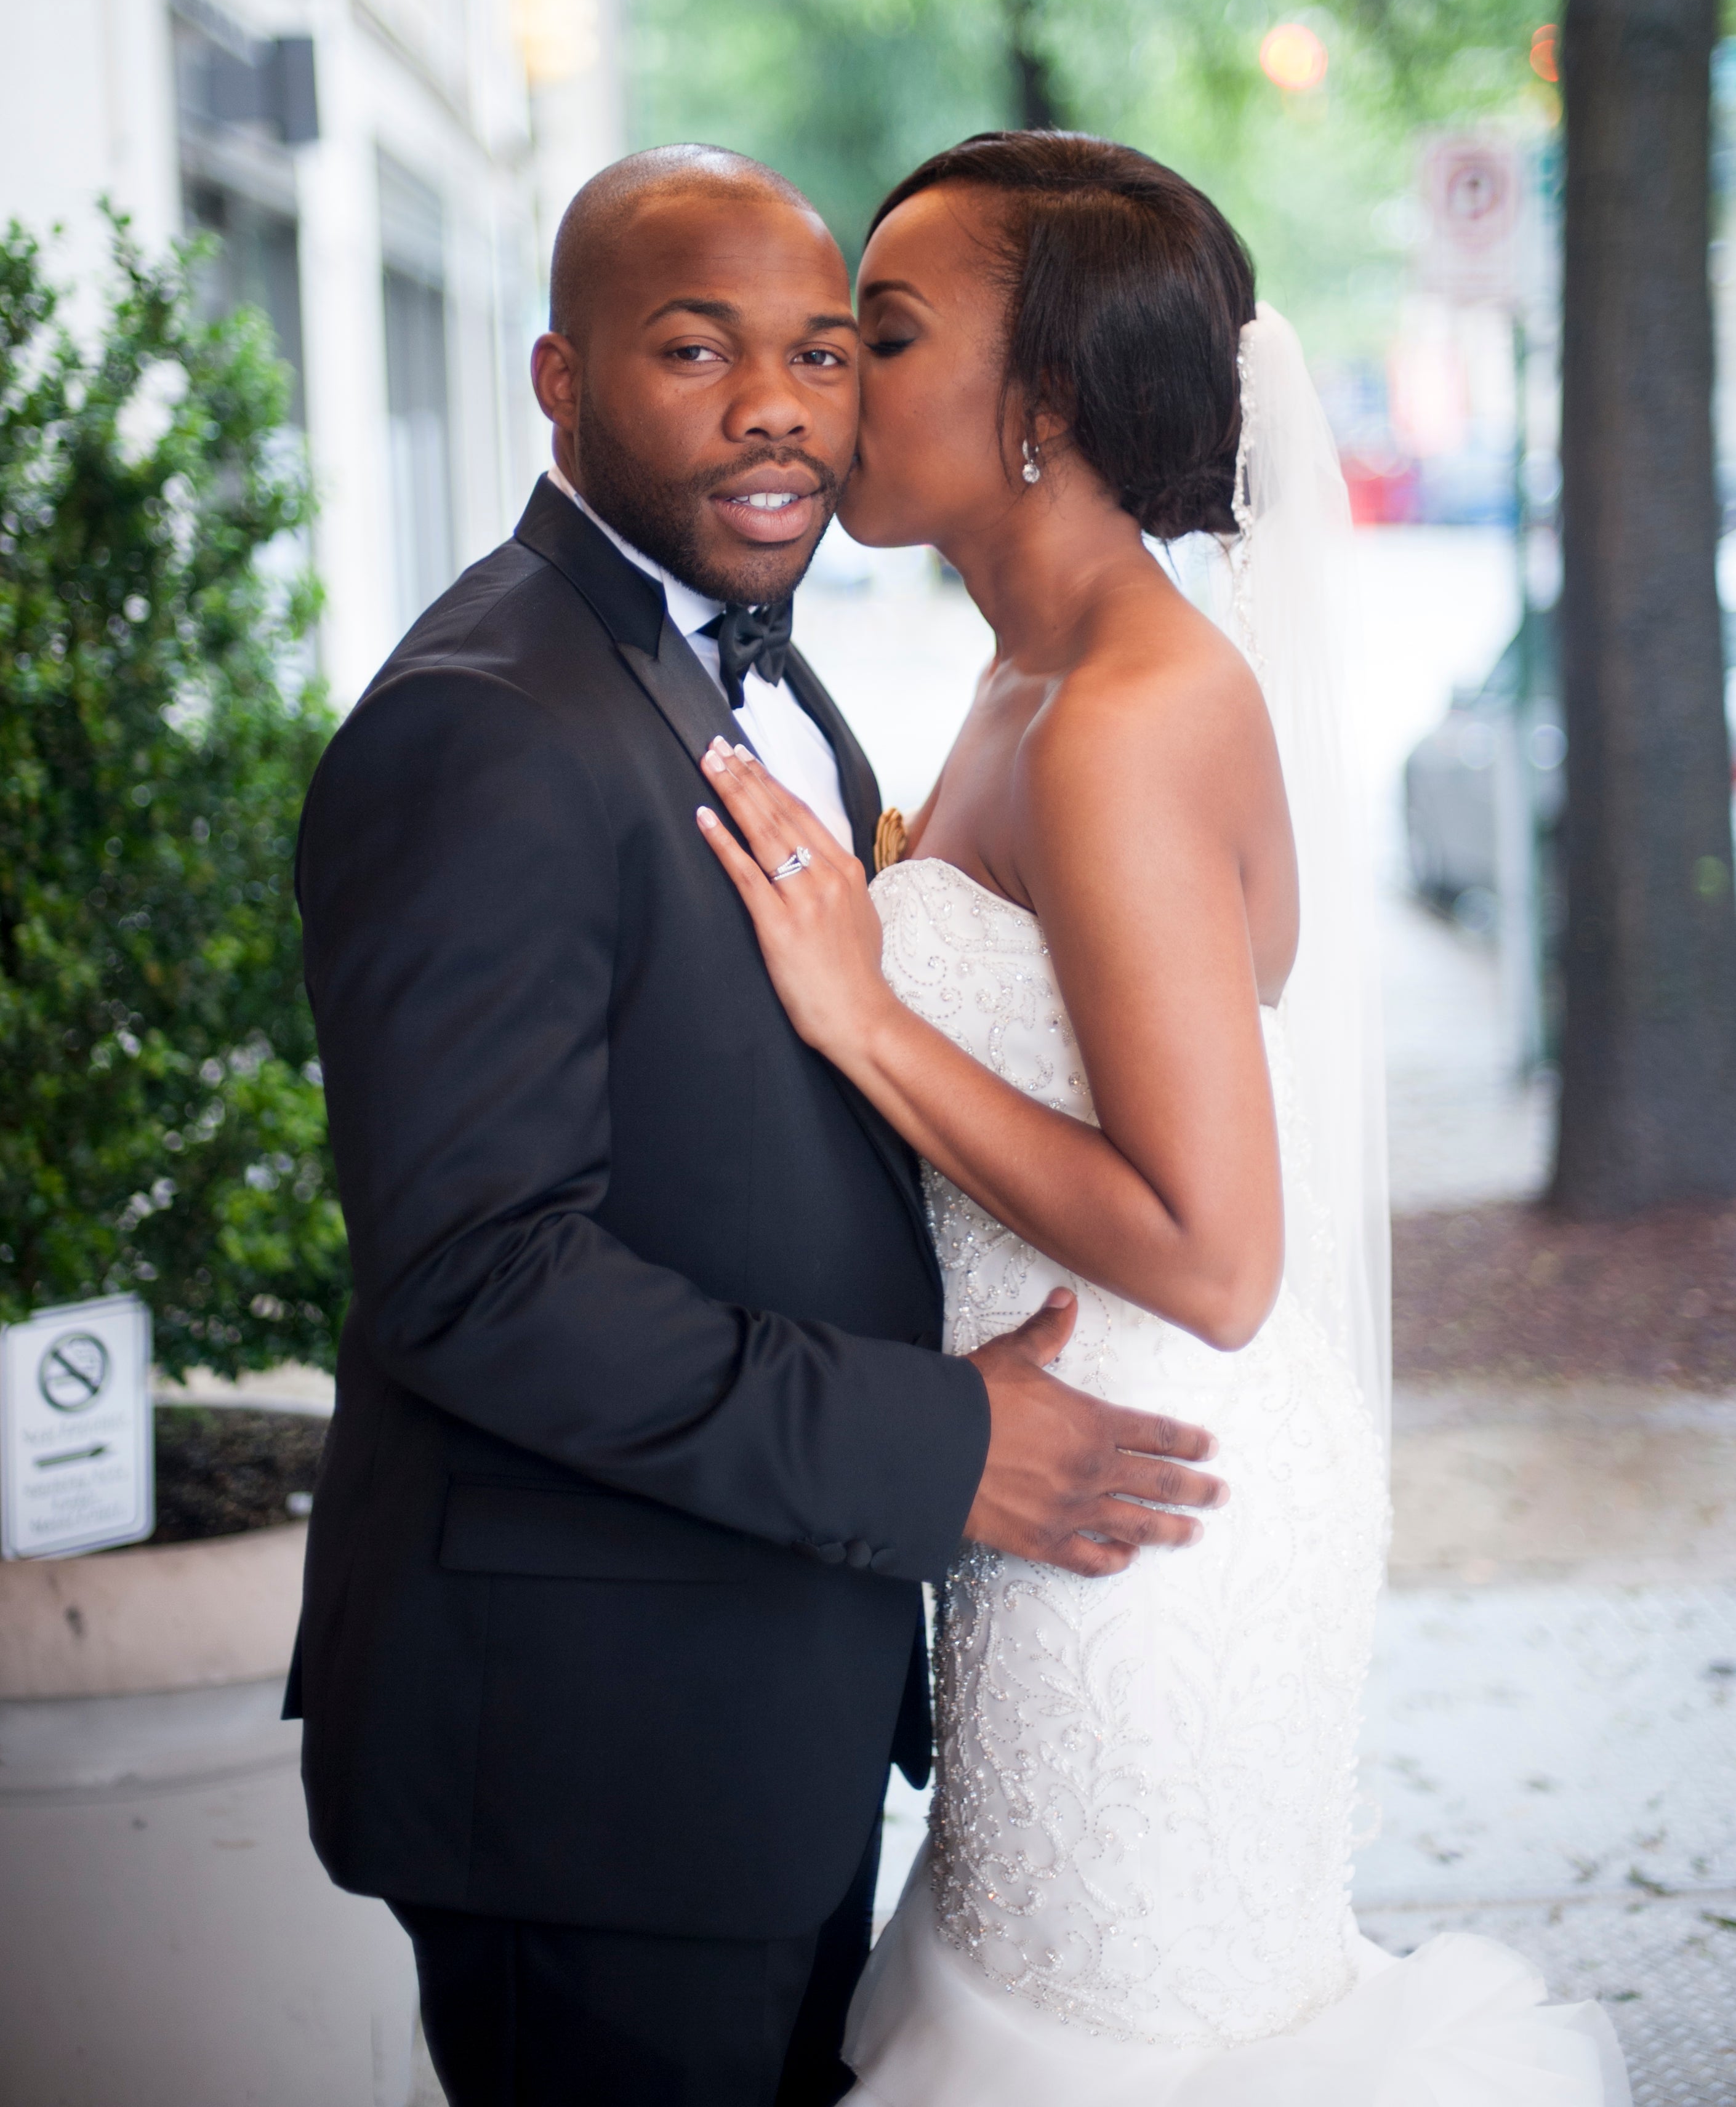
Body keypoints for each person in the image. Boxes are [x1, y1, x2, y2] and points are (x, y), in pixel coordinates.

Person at [287, 144, 1226, 2107]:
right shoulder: (488, 722)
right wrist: (940, 1441)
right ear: (558, 379)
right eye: (696, 354)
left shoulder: (752, 667)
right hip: (589, 1748)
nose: (779, 410)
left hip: (752, 1693)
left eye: (823, 352)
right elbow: (476, 1278)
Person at [698, 130, 1631, 2104]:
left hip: (1150, 1499)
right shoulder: (1021, 673)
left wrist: (865, 1015)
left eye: (879, 332)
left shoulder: (1124, 714)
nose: (830, 382)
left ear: (1040, 403)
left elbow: (1217, 1258)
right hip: (1051, 1483)